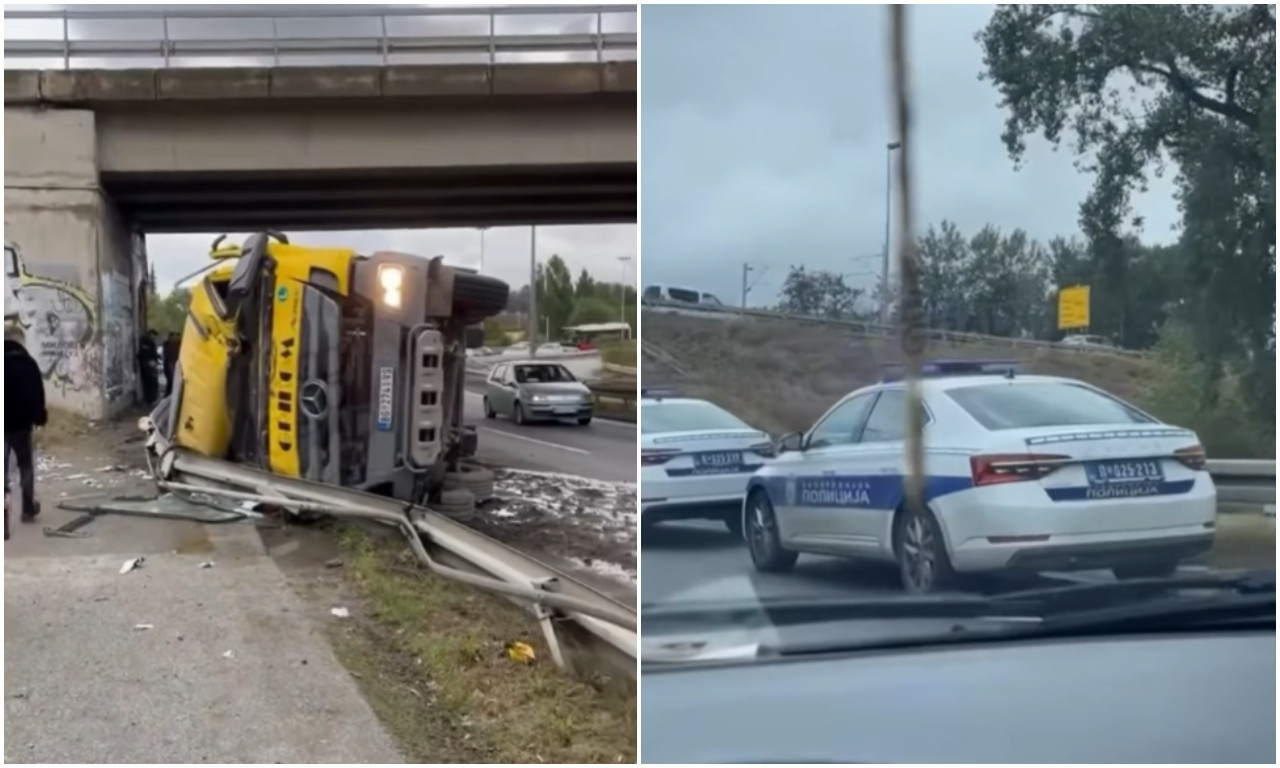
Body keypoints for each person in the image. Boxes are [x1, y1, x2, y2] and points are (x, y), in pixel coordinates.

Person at [5, 326, 48, 532]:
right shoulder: (28, 364)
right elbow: (37, 394)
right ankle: (28, 509)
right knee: (25, 466)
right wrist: (39, 416)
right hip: (22, 425)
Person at [138, 329, 160, 405]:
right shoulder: (147, 341)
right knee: (150, 382)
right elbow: (148, 352)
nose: (154, 338)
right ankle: (151, 399)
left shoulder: (146, 341)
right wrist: (155, 358)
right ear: (151, 334)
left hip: (148, 363)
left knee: (149, 382)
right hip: (148, 363)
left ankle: (150, 399)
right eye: (154, 336)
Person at [162, 331, 181, 397]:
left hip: (173, 364)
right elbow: (167, 355)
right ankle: (169, 394)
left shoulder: (177, 344)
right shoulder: (168, 344)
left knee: (171, 381)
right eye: (174, 336)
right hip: (170, 364)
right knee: (171, 380)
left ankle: (169, 394)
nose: (175, 338)